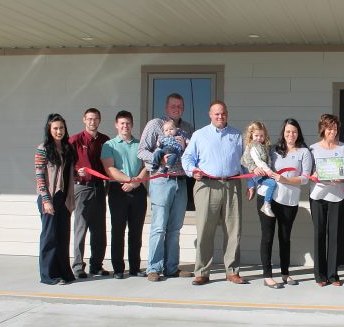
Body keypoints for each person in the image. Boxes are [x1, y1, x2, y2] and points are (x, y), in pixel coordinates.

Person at [182, 101, 248, 285]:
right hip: (206, 186)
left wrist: (251, 183)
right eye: (217, 114)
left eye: (223, 113)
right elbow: (187, 157)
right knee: (205, 229)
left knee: (233, 231)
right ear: (210, 115)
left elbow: (246, 163)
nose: (220, 117)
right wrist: (192, 170)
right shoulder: (199, 135)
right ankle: (202, 271)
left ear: (227, 114)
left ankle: (232, 271)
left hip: (232, 185)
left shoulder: (237, 135)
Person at [138, 93, 195, 282]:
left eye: (179, 106)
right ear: (166, 107)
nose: (176, 108)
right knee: (159, 226)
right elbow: (142, 150)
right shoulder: (155, 124)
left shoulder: (187, 129)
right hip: (161, 179)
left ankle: (171, 267)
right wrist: (159, 157)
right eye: (173, 105)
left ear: (183, 108)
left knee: (175, 228)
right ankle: (153, 268)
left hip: (181, 181)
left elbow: (193, 154)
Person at [250, 118, 312, 289]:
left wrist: (285, 179)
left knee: (285, 238)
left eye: (293, 131)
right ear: (283, 133)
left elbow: (305, 178)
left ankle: (285, 273)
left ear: (298, 133)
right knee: (267, 237)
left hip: (289, 200)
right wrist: (254, 171)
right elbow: (256, 162)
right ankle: (268, 276)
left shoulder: (304, 152)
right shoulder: (272, 150)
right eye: (287, 132)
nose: (290, 135)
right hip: (267, 198)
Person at [101, 111, 148, 279]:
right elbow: (110, 169)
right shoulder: (109, 145)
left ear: (132, 125)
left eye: (128, 123)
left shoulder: (140, 144)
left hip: (138, 191)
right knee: (118, 230)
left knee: (136, 231)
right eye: (122, 123)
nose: (125, 126)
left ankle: (135, 267)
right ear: (116, 125)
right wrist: (128, 180)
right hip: (117, 191)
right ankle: (119, 269)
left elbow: (147, 165)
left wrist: (136, 182)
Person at [35, 113, 77, 285]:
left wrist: (78, 174)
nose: (59, 131)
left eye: (61, 128)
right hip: (49, 198)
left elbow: (68, 174)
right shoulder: (43, 148)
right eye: (55, 128)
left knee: (62, 236)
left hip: (64, 198)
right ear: (49, 129)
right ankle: (49, 275)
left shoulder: (68, 148)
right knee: (49, 237)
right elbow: (40, 177)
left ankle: (63, 272)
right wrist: (46, 200)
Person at [69, 108, 110, 278]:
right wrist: (74, 173)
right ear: (84, 120)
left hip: (99, 187)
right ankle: (78, 266)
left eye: (96, 119)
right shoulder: (75, 140)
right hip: (82, 187)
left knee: (99, 229)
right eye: (90, 119)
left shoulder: (105, 140)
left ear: (99, 120)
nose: (93, 121)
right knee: (81, 227)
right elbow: (66, 164)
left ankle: (96, 265)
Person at [308, 114, 344, 287]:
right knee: (319, 235)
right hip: (317, 196)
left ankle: (333, 275)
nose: (332, 131)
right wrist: (314, 176)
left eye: (334, 128)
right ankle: (319, 275)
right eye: (329, 128)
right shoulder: (313, 149)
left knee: (335, 237)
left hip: (337, 195)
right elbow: (307, 173)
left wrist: (343, 178)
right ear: (322, 129)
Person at [241, 121, 277, 217]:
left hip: (262, 173)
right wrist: (268, 170)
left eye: (261, 136)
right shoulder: (253, 146)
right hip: (257, 174)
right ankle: (266, 205)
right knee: (272, 183)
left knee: (275, 181)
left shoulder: (263, 146)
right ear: (251, 135)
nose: (259, 138)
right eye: (256, 135)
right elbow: (258, 161)